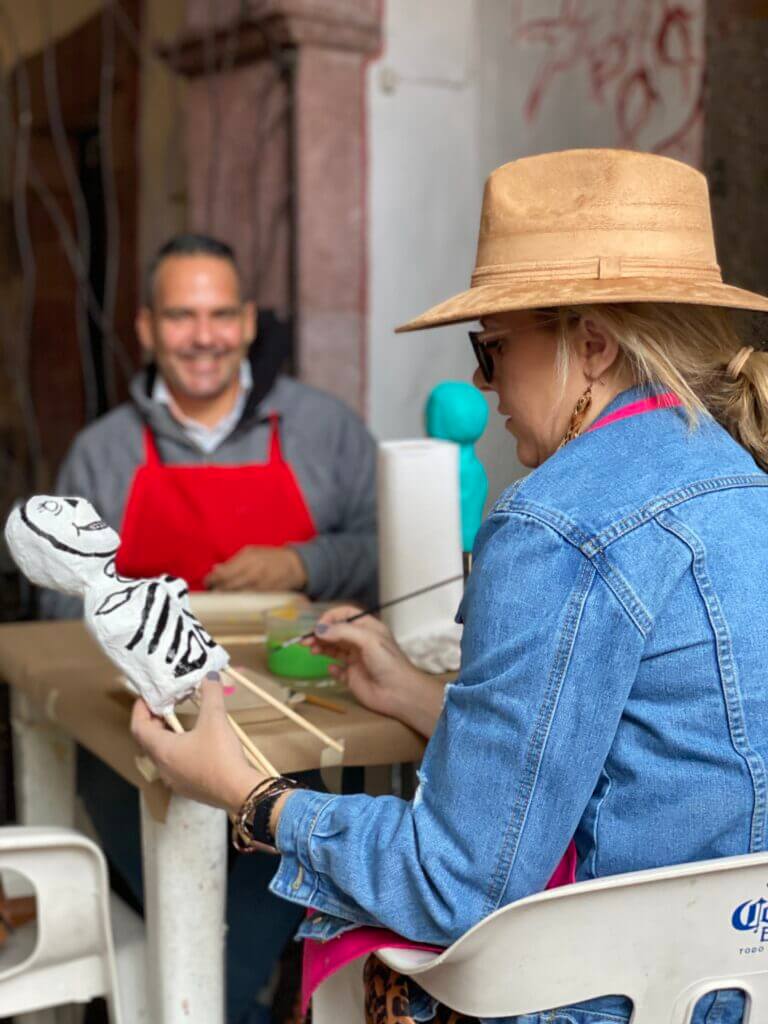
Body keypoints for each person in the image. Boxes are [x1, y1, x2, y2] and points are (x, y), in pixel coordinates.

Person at [132, 149, 768, 1024]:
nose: (483, 383)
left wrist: (252, 795)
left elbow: (457, 878)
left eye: (492, 349)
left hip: (598, 997)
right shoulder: (741, 477)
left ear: (590, 345)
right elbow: (645, 755)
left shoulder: (553, 521)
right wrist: (419, 695)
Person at [42, 233, 378, 1024]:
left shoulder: (325, 429)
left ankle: (210, 1000)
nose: (205, 335)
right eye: (183, 316)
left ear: (250, 322)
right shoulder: (102, 453)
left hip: (301, 730)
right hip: (139, 740)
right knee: (191, 892)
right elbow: (57, 618)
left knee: (266, 881)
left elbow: (386, 550)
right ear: (148, 327)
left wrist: (303, 564)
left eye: (222, 314)